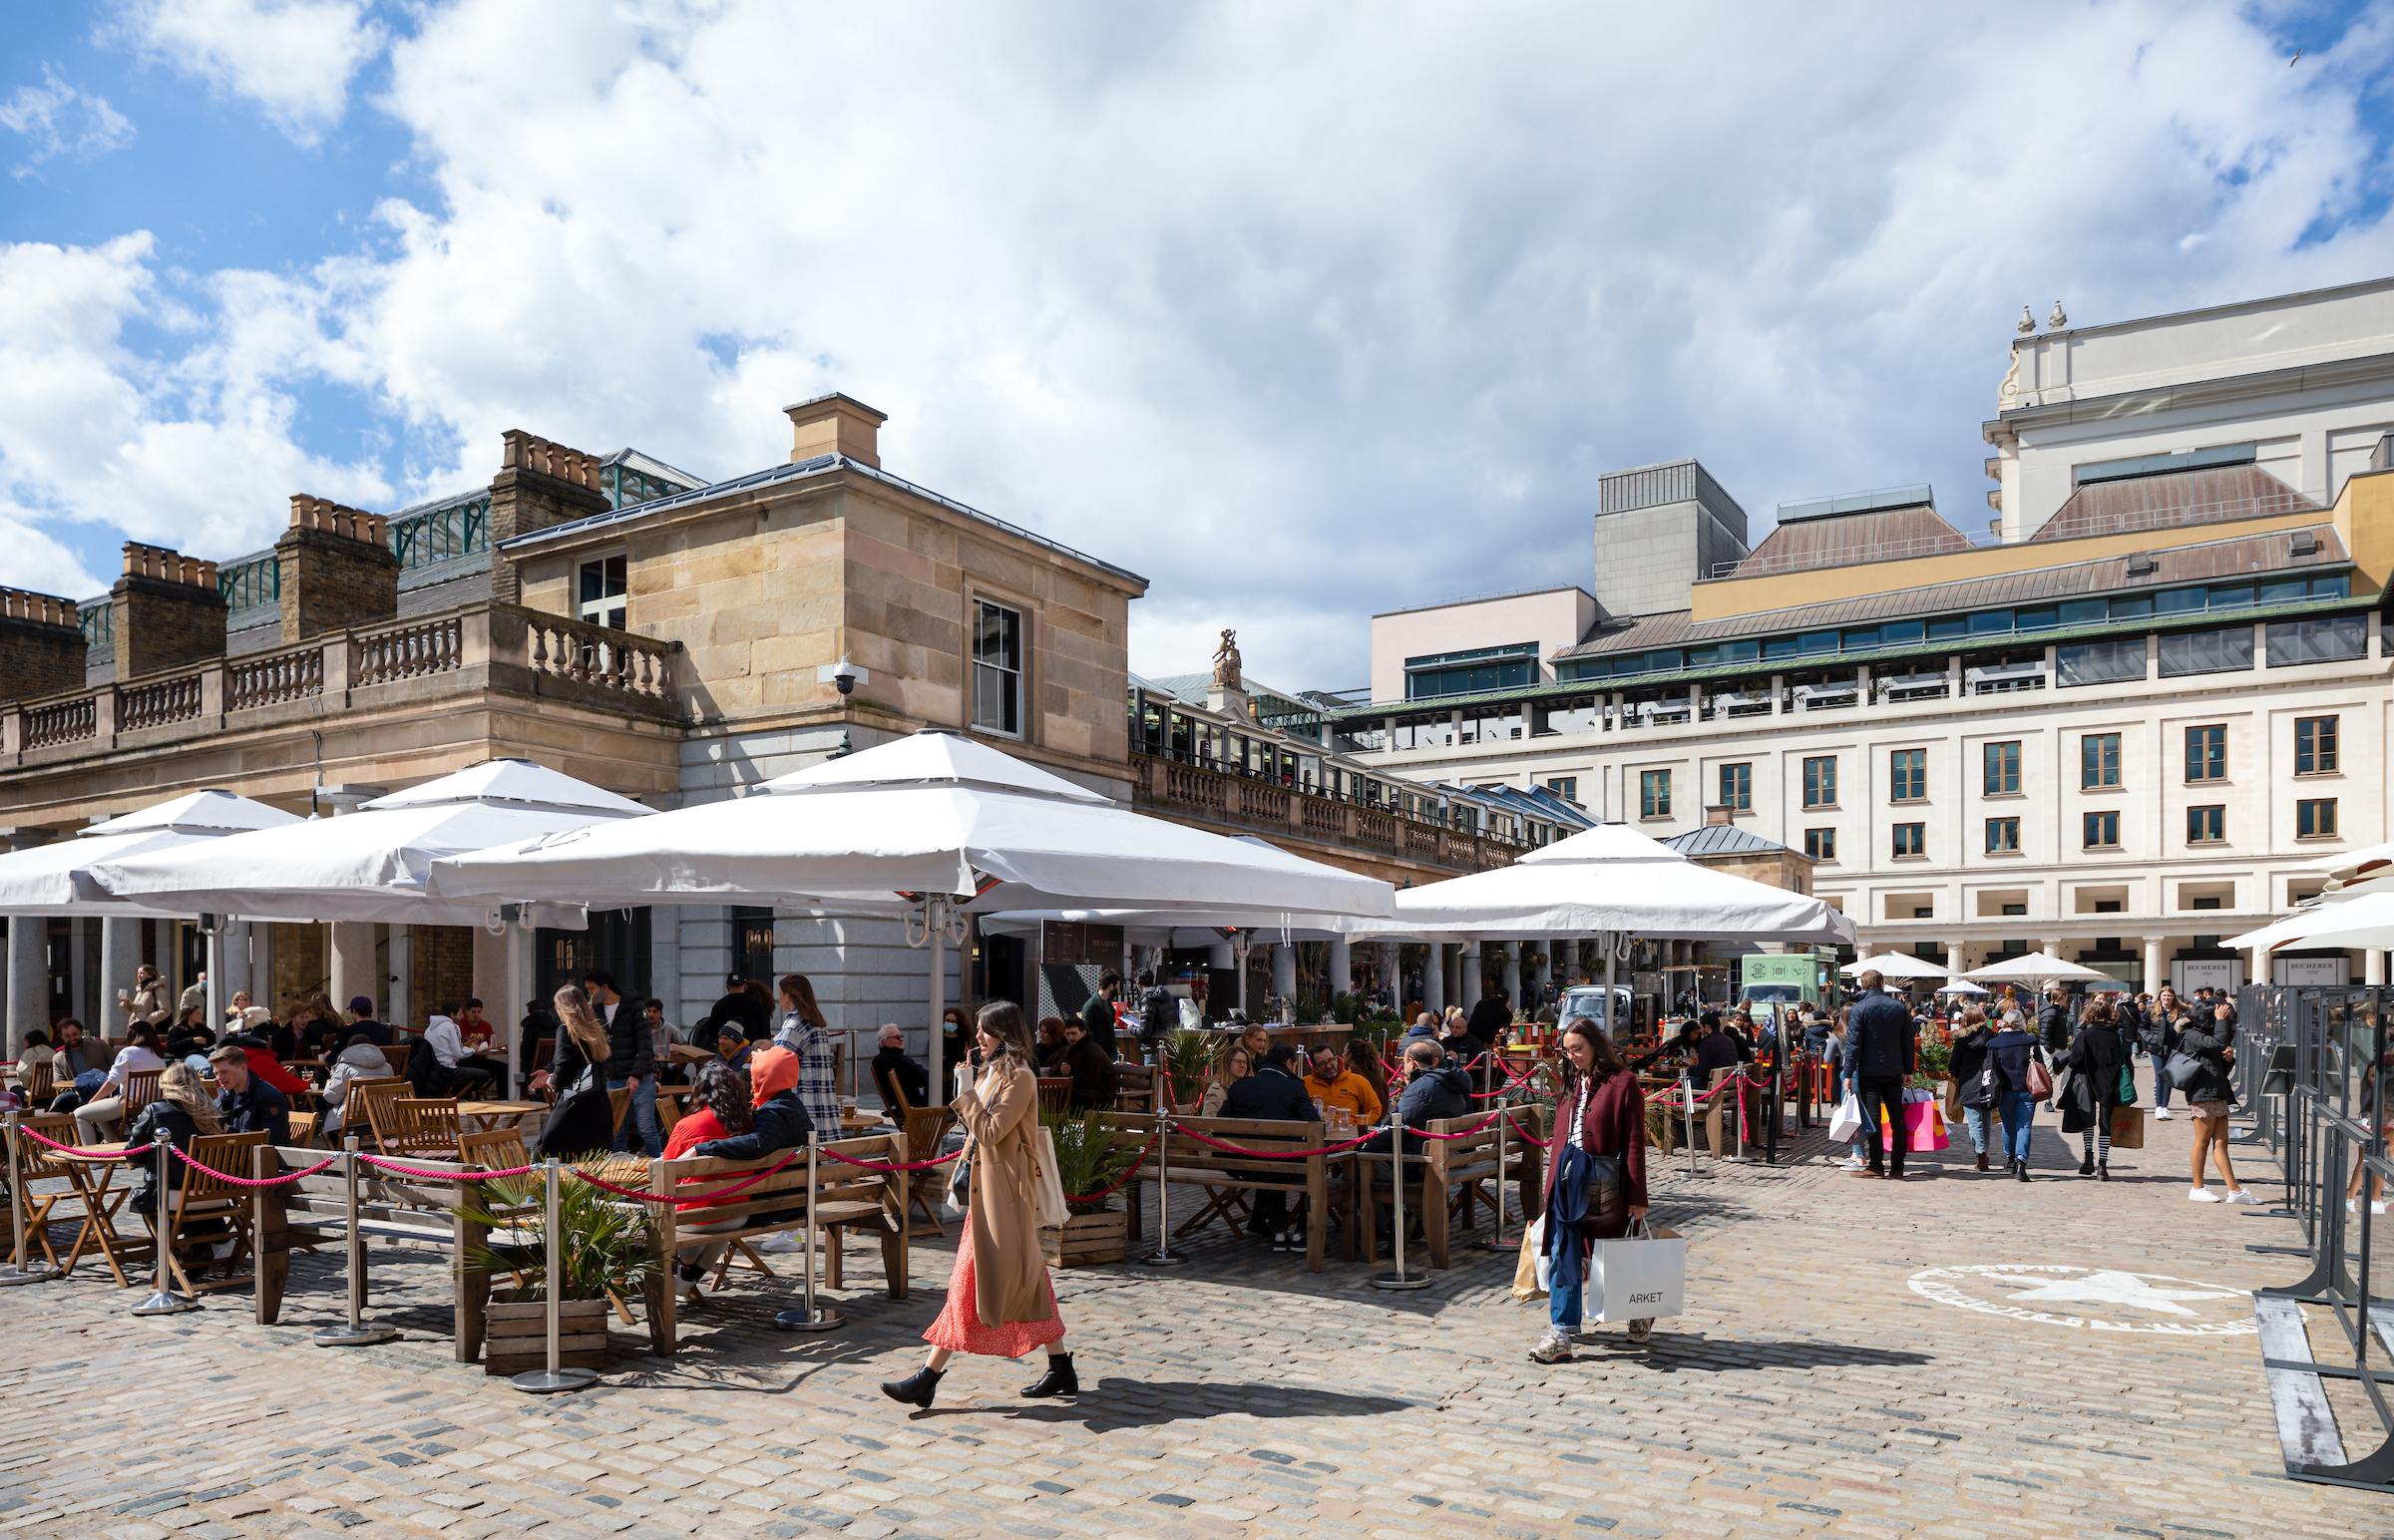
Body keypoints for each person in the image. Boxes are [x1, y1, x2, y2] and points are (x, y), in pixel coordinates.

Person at [881, 1000, 1074, 1408]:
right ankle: (1060, 1368)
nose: (978, 1038)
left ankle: (927, 1377)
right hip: (988, 1193)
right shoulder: (994, 1075)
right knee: (1022, 1280)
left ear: (1005, 1033)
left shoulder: (1020, 1078)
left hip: (1005, 1195)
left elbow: (990, 1132)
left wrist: (966, 1090)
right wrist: (969, 1089)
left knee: (973, 1280)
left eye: (986, 1031)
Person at [1530, 1016, 1651, 1362]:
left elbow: (1634, 1141)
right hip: (1569, 1182)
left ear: (1595, 1045)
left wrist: (1637, 1196)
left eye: (1577, 1049)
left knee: (1616, 1255)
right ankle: (1561, 1332)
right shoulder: (1569, 1082)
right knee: (1562, 1253)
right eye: (1567, 1051)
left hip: (1607, 1182)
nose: (1572, 1056)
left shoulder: (1623, 1082)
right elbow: (1559, 1139)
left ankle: (1639, 1310)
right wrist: (1550, 1188)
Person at [662, 1060, 761, 1292]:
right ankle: (691, 1274)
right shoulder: (747, 1126)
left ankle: (687, 1271)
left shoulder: (688, 1125)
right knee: (720, 1212)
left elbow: (667, 1171)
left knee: (680, 1207)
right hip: (738, 1214)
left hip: (693, 1220)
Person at [122, 1062, 223, 1271]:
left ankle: (172, 1250)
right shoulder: (212, 1111)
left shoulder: (155, 1110)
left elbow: (133, 1154)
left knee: (145, 1199)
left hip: (173, 1192)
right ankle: (196, 1245)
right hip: (212, 1193)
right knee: (185, 1184)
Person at [1222, 1042, 1318, 1249]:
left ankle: (1279, 1233)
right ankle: (1301, 1234)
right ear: (1289, 1063)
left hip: (1244, 1166)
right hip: (1280, 1165)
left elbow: (1220, 1126)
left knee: (1273, 1163)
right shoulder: (1294, 1087)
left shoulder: (1239, 1087)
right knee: (1313, 1169)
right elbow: (1314, 1124)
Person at [2181, 1000, 2257, 1204]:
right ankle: (2197, 1187)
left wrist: (2228, 1060)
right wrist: (2221, 1020)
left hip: (2217, 1092)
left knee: (2221, 1144)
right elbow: (2217, 1044)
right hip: (2202, 1094)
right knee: (2203, 1141)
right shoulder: (2191, 1034)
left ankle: (2234, 1190)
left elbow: (2219, 1070)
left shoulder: (2210, 1036)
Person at [529, 983, 614, 1159]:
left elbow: (564, 1068)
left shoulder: (565, 1030)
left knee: (542, 1155)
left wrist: (552, 1080)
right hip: (598, 1106)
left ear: (563, 1007)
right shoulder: (596, 1028)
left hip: (574, 1106)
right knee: (587, 1162)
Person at [582, 969, 659, 1158]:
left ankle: (659, 1172)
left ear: (605, 987)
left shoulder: (634, 1004)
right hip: (613, 1077)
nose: (590, 994)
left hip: (641, 1078)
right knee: (616, 1131)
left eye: (592, 989)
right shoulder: (595, 1009)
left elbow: (645, 1044)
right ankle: (618, 1178)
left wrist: (636, 1075)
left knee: (647, 1129)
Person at [1845, 971, 1915, 1180]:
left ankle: (1876, 1165)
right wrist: (1908, 1070)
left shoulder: (1859, 1008)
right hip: (1894, 1069)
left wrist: (1848, 1073)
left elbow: (1854, 1044)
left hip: (1869, 1070)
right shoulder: (1899, 1007)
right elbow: (1908, 1041)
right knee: (1897, 1119)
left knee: (1873, 1119)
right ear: (1882, 984)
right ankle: (1898, 1166)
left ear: (1864, 986)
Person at [2061, 996, 2131, 1181]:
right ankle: (2103, 1164)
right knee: (2105, 1124)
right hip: (2109, 1081)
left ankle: (2088, 1157)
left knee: (2088, 1121)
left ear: (2090, 1015)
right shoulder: (2116, 1036)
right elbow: (2126, 1061)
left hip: (2087, 1081)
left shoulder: (2085, 1035)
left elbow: (2075, 1061)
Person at [770, 973, 842, 1138]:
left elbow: (777, 1062)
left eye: (780, 995)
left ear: (788, 996)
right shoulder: (817, 1022)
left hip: (804, 1102)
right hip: (823, 1105)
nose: (779, 1000)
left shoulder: (795, 1024)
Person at [72, 1027, 167, 1141]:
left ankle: (90, 1153)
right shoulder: (158, 1055)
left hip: (129, 1102)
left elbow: (112, 1082)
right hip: (151, 1103)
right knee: (97, 1110)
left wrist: (93, 1100)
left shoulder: (129, 1052)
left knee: (79, 1113)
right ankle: (111, 1141)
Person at [1986, 1009, 2045, 1181]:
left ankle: (2010, 1159)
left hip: (2004, 1090)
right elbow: (2040, 1065)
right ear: (2022, 1022)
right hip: (2027, 1090)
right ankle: (2021, 1162)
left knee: (2008, 1125)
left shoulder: (1994, 1044)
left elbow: (1990, 1068)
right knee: (2024, 1126)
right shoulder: (2031, 1042)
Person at [208, 1042, 291, 1147]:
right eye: (216, 1073)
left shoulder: (271, 1098)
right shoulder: (225, 1095)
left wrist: (228, 1130)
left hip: (260, 1161)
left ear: (243, 1068)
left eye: (224, 1072)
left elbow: (272, 1141)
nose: (219, 1078)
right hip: (233, 1158)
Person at [1948, 1007, 1999, 1172]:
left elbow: (1954, 1066)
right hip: (1988, 1082)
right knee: (1986, 1121)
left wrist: (1957, 1074)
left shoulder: (1961, 1040)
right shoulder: (1991, 1036)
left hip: (1969, 1083)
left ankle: (1981, 1154)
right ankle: (1984, 1154)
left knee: (1975, 1122)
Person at [320, 1032, 396, 1141]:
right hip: (380, 1116)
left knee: (327, 1119)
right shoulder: (387, 1067)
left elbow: (332, 1097)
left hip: (352, 1117)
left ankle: (342, 1151)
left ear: (349, 1048)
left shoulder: (345, 1067)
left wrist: (328, 1084)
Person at [422, 1005, 497, 1100]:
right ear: (452, 1015)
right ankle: (460, 1095)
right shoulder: (452, 1027)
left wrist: (464, 1047)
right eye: (460, 1014)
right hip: (449, 1071)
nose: (462, 1017)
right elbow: (459, 1054)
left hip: (435, 1071)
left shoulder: (429, 1029)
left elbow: (448, 1049)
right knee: (485, 1074)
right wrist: (473, 1049)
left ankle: (461, 1095)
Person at [1302, 1043, 1384, 1127]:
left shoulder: (1358, 1081)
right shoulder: (1304, 1084)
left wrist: (1359, 1125)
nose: (1328, 1066)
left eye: (1331, 1060)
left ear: (1336, 1059)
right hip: (1316, 1135)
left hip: (1350, 1136)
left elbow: (1375, 1109)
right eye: (1322, 1064)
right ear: (1315, 1068)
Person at [2143, 985, 2187, 1120]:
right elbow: (2142, 1028)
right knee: (2160, 1076)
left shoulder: (2179, 1011)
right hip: (2157, 1048)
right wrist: (2150, 1039)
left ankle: (2164, 1106)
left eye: (2169, 995)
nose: (2166, 998)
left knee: (2169, 1077)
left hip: (2173, 1048)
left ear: (2173, 997)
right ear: (2160, 996)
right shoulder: (2151, 1011)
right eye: (2164, 995)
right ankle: (2158, 1106)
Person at [1057, 1015, 1117, 1110]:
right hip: (1088, 1093)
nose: (1070, 1037)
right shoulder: (1076, 1048)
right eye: (1068, 1034)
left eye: (1074, 1033)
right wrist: (1065, 1071)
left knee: (1060, 1094)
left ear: (1083, 1033)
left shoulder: (1091, 1051)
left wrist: (1068, 1077)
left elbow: (1088, 1081)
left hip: (1100, 1098)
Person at [1080, 970, 1122, 1059]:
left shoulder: (1108, 1003)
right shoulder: (1091, 1005)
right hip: (1098, 1053)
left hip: (1110, 1051)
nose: (1117, 991)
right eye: (1116, 987)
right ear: (1111, 986)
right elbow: (1087, 1032)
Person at [1199, 1044, 1251, 1117]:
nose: (1242, 1065)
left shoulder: (1248, 1088)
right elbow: (1207, 1123)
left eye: (1245, 1062)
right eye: (1238, 1061)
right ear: (1227, 1063)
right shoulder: (1217, 1092)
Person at [122, 963, 172, 1031]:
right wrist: (126, 1002)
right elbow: (137, 1011)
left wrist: (146, 1022)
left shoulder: (158, 989)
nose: (138, 976)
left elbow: (165, 1010)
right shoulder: (140, 990)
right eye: (138, 973)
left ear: (150, 975)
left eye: (141, 973)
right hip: (137, 1029)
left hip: (149, 1031)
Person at [1467, 989, 1513, 1054]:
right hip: (1487, 1040)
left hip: (1471, 1036)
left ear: (1493, 996)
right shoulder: (1505, 1012)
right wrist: (1508, 1008)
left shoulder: (1481, 1003)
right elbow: (1508, 1021)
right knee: (1486, 1059)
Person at [2037, 985, 2074, 1058]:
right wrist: (2050, 1050)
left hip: (2059, 1047)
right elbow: (2045, 1032)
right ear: (2063, 996)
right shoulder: (2051, 1012)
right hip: (2053, 1049)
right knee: (2050, 1069)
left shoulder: (2058, 1011)